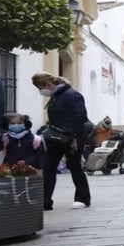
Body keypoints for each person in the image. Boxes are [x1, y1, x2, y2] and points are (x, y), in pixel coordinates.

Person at [32, 72, 91, 210]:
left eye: (40, 87)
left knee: (74, 167)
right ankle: (45, 201)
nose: (41, 91)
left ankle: (83, 198)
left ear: (48, 84)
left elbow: (80, 116)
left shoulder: (71, 95)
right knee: (49, 167)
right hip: (56, 137)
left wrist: (70, 133)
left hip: (72, 138)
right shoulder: (56, 96)